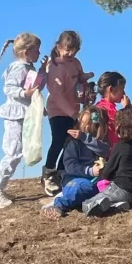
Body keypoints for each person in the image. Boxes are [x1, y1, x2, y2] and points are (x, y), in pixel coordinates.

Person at [0, 33, 46, 210]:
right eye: (36, 50)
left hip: (23, 113)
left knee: (17, 152)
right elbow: (9, 88)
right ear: (26, 52)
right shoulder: (18, 68)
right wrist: (24, 93)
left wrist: (42, 70)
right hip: (15, 114)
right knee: (13, 152)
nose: (39, 53)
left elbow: (34, 87)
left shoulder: (28, 67)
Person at [41, 30, 94, 197]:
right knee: (58, 140)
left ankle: (62, 171)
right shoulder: (55, 67)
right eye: (68, 50)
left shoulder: (75, 63)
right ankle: (49, 173)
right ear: (58, 47)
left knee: (71, 142)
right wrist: (72, 113)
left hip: (73, 110)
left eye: (74, 51)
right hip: (57, 110)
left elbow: (79, 78)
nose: (71, 54)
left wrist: (87, 79)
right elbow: (56, 95)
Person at [41, 107, 110, 219]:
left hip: (95, 181)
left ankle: (91, 203)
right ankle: (58, 204)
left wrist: (84, 138)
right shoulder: (73, 143)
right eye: (82, 122)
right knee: (82, 187)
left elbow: (105, 150)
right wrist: (90, 171)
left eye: (89, 123)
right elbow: (70, 167)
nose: (85, 126)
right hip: (74, 179)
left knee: (107, 186)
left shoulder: (100, 143)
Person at [82, 105, 132, 217]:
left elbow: (107, 174)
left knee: (86, 204)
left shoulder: (120, 145)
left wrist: (104, 165)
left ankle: (114, 206)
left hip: (120, 189)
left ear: (122, 125)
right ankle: (118, 205)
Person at [95, 71, 130, 147]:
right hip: (110, 150)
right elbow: (125, 129)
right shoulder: (106, 110)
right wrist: (127, 109)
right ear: (111, 89)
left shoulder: (103, 107)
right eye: (122, 89)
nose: (124, 93)